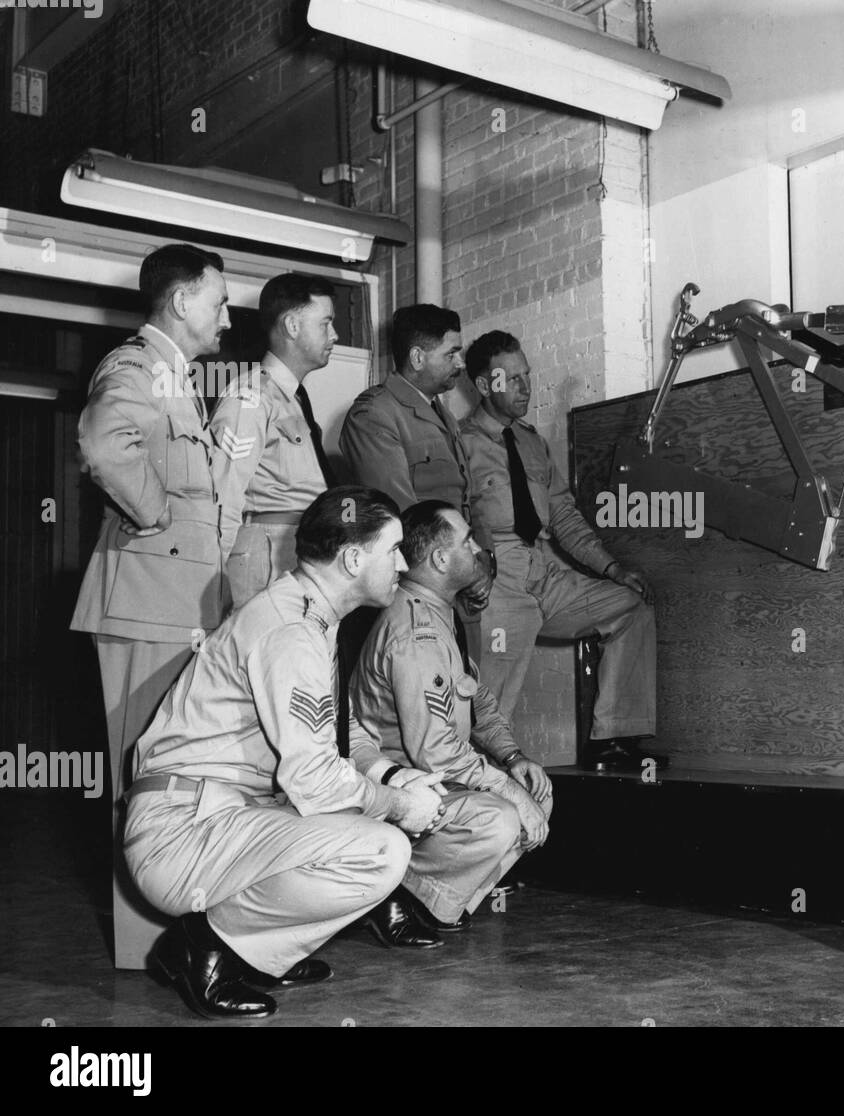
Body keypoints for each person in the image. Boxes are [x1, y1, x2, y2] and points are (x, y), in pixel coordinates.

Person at [124, 487, 447, 1021]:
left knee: (367, 820)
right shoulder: (293, 631)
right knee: (382, 850)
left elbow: (341, 733)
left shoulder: (308, 613)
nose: (405, 562)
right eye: (393, 549)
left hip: (221, 816)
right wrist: (396, 804)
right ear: (352, 558)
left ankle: (260, 953)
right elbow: (316, 781)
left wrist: (393, 776)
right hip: (182, 833)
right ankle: (206, 946)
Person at [70, 243, 231, 969]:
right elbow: (105, 446)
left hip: (176, 606)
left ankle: (190, 938)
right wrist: (156, 513)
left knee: (180, 777)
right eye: (219, 300)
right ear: (181, 299)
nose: (227, 316)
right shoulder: (135, 364)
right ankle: (149, 953)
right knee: (142, 782)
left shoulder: (177, 376)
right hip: (144, 604)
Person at [350, 500, 554, 930]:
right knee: (501, 818)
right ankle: (396, 894)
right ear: (441, 559)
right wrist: (509, 792)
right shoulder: (415, 633)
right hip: (403, 786)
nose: (478, 547)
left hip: (436, 776)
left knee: (535, 791)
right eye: (467, 540)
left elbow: (477, 700)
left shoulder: (441, 614)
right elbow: (437, 754)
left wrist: (514, 759)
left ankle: (436, 900)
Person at [460, 331, 659, 771]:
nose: (524, 387)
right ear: (482, 384)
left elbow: (564, 517)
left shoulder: (532, 443)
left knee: (631, 606)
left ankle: (613, 740)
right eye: (510, 378)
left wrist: (611, 568)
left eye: (526, 376)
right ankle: (478, 780)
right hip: (497, 579)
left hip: (544, 571)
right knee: (488, 704)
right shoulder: (461, 444)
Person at [338, 303, 491, 655]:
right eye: (452, 353)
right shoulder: (375, 413)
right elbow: (401, 513)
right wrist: (467, 565)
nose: (461, 363)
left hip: (456, 583)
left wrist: (484, 560)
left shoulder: (443, 415)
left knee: (464, 692)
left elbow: (469, 498)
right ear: (418, 357)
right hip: (415, 592)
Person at [211, 273, 339, 607]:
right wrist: (214, 588)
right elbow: (221, 498)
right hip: (266, 560)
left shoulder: (293, 399)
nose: (334, 335)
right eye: (326, 323)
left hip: (301, 553)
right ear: (293, 325)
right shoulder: (250, 397)